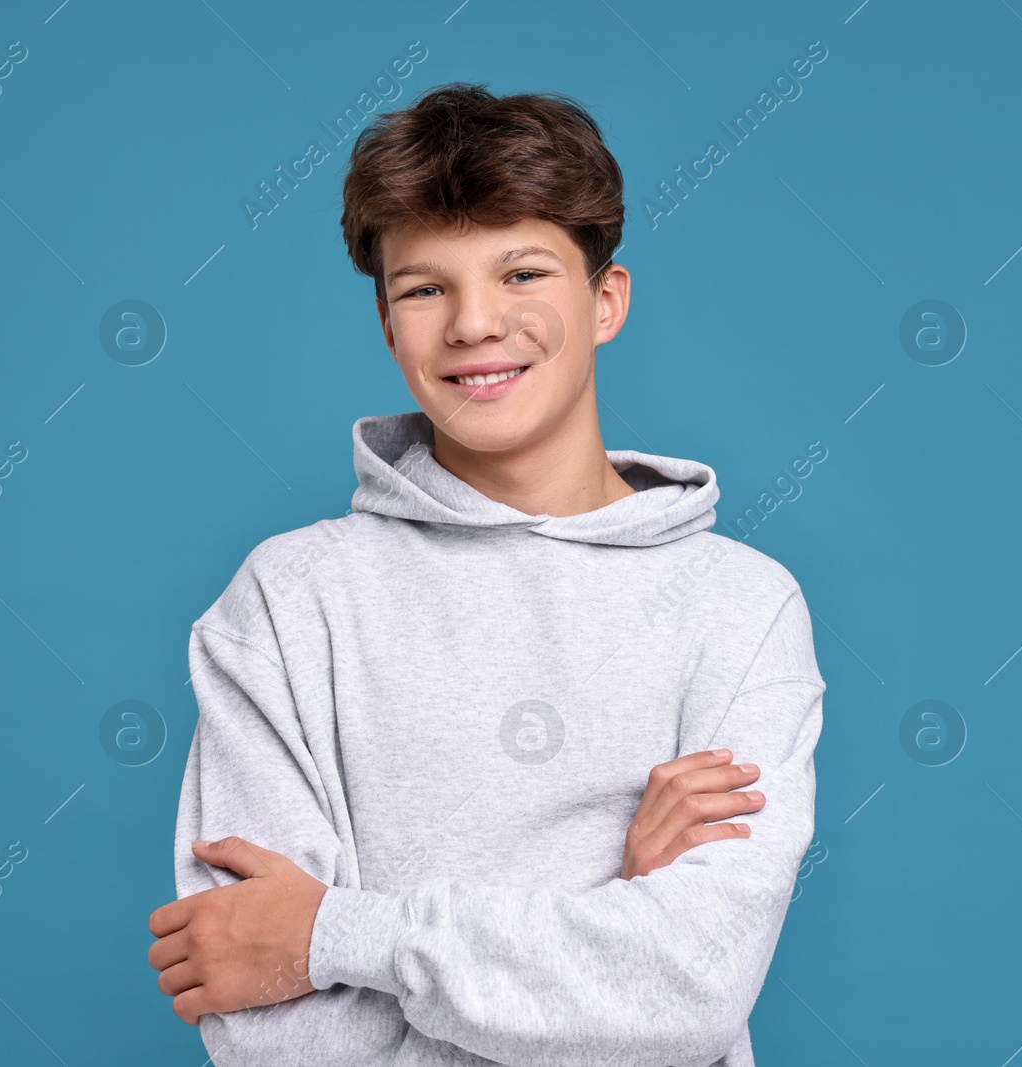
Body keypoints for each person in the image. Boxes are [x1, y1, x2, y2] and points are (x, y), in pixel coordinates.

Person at [144, 82, 825, 1067]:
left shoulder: (739, 605)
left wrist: (332, 934)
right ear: (388, 325)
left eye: (521, 273)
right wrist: (611, 920)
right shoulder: (290, 602)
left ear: (604, 301)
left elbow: (689, 989)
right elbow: (272, 1024)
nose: (473, 322)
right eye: (425, 287)